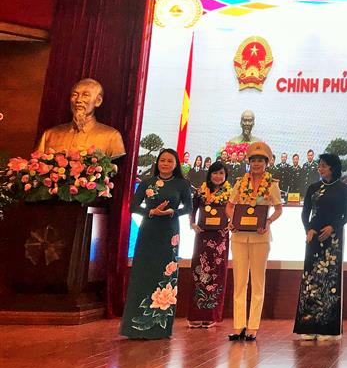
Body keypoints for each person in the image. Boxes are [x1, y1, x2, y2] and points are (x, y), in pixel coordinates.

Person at [121, 148, 192, 339]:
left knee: (165, 274)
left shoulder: (182, 184)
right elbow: (133, 206)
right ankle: (134, 327)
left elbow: (188, 208)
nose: (165, 164)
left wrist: (172, 212)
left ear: (176, 164)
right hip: (148, 231)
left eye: (170, 161)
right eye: (162, 160)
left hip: (169, 232)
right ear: (157, 162)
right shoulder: (147, 182)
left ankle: (159, 328)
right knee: (143, 273)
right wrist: (151, 212)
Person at [225, 141, 282, 341]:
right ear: (248, 162)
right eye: (253, 160)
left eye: (261, 160)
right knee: (240, 281)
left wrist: (268, 221)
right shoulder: (239, 183)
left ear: (267, 163)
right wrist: (231, 220)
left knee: (258, 282)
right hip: (239, 237)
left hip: (260, 237)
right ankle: (238, 325)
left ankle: (253, 327)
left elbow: (278, 209)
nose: (257, 164)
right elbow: (230, 206)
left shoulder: (272, 184)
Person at [293, 154, 347, 340]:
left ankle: (328, 328)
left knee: (330, 280)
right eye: (319, 166)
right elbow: (305, 213)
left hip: (333, 238)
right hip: (314, 237)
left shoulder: (343, 189)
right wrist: (308, 229)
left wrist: (333, 227)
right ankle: (308, 325)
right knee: (311, 279)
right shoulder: (313, 188)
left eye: (324, 166)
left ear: (333, 168)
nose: (320, 168)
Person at [188, 162, 232, 328]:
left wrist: (231, 223)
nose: (218, 176)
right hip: (202, 235)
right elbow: (192, 209)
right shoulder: (201, 191)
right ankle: (196, 315)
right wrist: (192, 224)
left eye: (221, 173)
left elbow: (235, 210)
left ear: (225, 176)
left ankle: (211, 315)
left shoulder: (230, 192)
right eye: (215, 173)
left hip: (220, 237)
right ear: (209, 174)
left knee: (216, 273)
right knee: (199, 272)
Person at [37, 78, 125, 159]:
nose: (78, 100)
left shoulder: (112, 136)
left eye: (85, 95)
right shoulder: (50, 135)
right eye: (75, 95)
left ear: (98, 101)